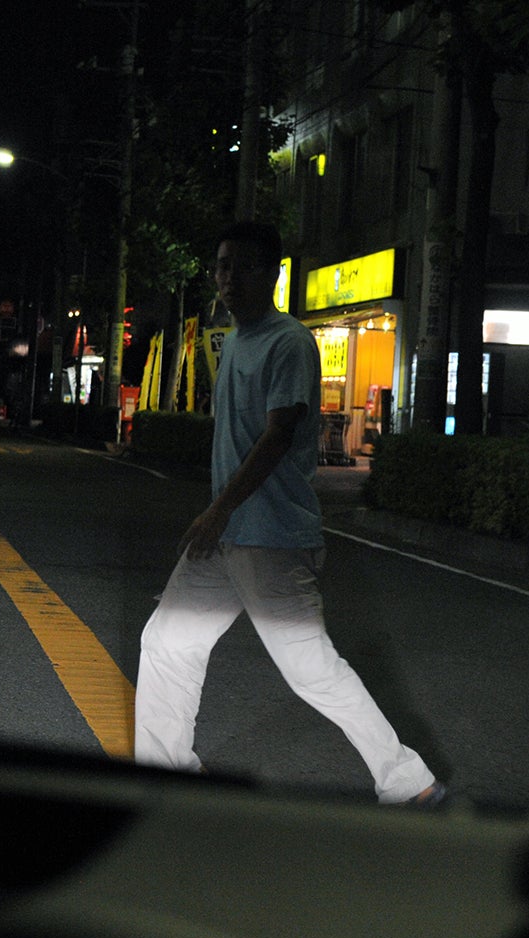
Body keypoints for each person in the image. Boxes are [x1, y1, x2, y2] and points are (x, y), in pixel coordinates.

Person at [132, 220, 446, 808]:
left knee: (312, 670)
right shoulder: (238, 340)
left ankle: (409, 782)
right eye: (221, 265)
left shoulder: (288, 342)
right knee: (168, 641)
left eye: (241, 267)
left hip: (270, 537)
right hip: (229, 536)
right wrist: (220, 518)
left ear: (271, 273)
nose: (227, 278)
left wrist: (217, 511)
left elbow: (278, 436)